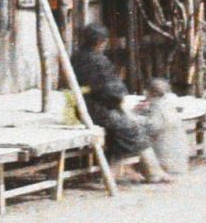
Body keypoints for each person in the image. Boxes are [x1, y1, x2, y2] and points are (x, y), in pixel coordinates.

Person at [71, 24, 168, 182]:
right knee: (134, 127)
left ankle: (121, 171)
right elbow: (111, 90)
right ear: (100, 42)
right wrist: (122, 101)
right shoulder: (98, 60)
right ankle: (152, 171)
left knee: (123, 128)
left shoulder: (77, 57)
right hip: (99, 109)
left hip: (83, 106)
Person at [136, 77, 190, 178]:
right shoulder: (169, 103)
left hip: (166, 161)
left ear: (149, 92)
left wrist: (136, 117)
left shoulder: (158, 107)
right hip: (179, 161)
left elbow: (152, 127)